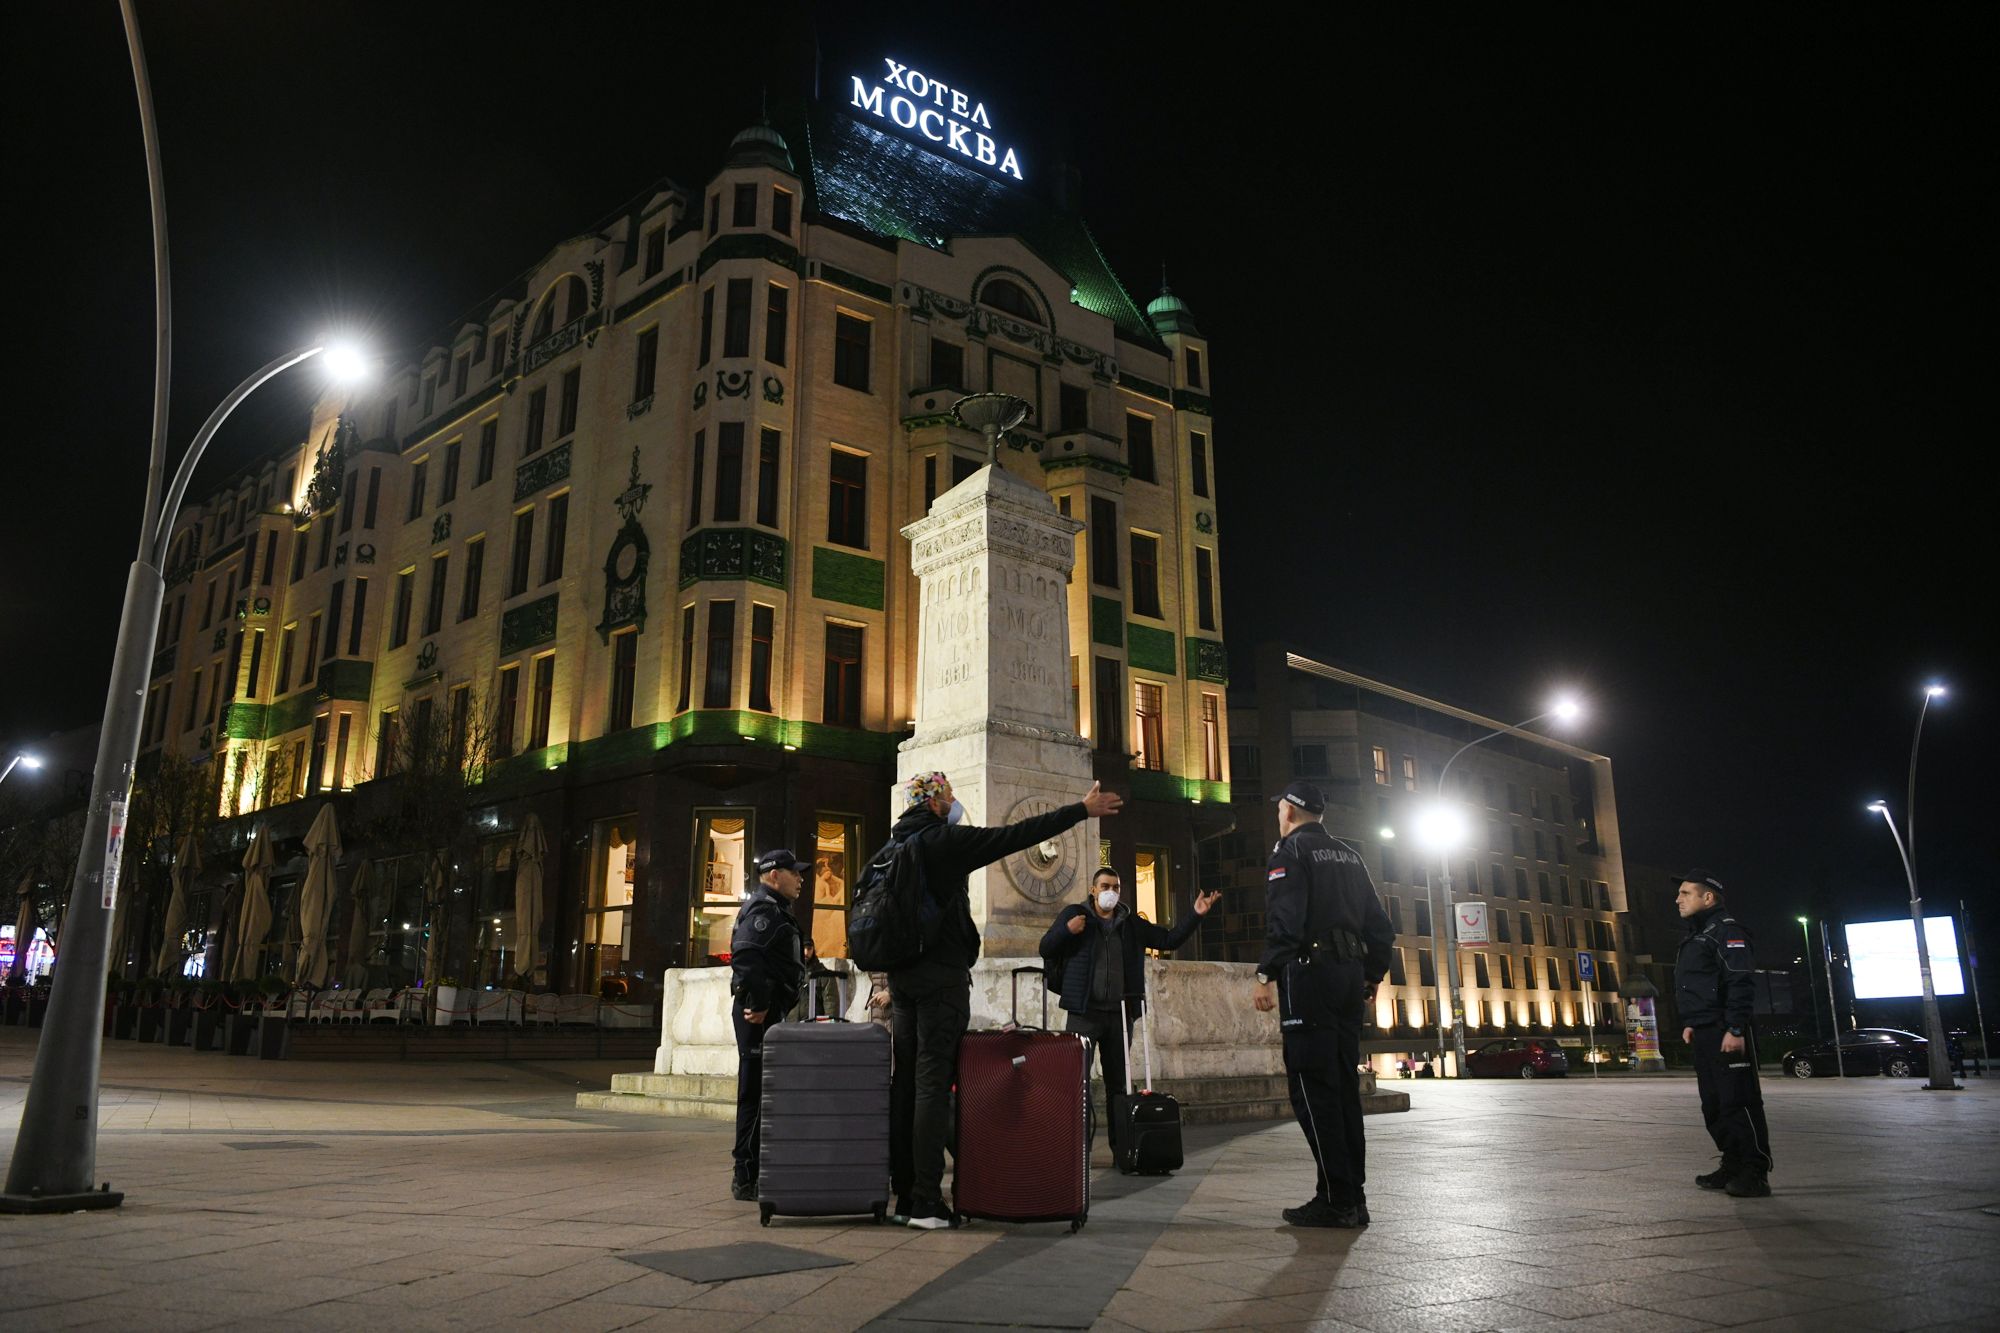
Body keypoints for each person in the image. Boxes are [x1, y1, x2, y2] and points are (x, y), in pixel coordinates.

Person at [888, 771, 1124, 1229]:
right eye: (951, 797)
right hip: (940, 981)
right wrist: (1080, 811)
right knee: (933, 1085)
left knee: (906, 1085)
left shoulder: (893, 846)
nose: (955, 803)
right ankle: (924, 1201)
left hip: (902, 982)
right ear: (935, 803)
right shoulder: (942, 842)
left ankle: (903, 1193)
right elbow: (1014, 836)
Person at [1249, 779, 1395, 1228]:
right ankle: (1352, 1195)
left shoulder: (1289, 853)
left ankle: (1336, 1199)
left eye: (1280, 810)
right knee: (1343, 1088)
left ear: (1290, 813)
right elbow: (1380, 927)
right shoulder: (1350, 856)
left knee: (1313, 1089)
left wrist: (1266, 972)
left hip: (1309, 976)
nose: (1278, 816)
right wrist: (1371, 975)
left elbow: (1286, 920)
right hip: (1349, 978)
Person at [1039, 867, 1220, 1161]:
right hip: (1084, 1013)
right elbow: (1045, 947)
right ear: (1093, 890)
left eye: (1116, 887)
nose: (1111, 891)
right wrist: (1065, 930)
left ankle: (1121, 1150)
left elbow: (1169, 939)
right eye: (1105, 886)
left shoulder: (1130, 924)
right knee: (1076, 1085)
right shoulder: (1076, 916)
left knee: (1119, 1088)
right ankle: (1076, 1154)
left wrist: (1196, 914)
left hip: (1120, 1016)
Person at [1674, 870, 1773, 1197]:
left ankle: (1755, 1171)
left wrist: (1735, 1027)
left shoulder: (1727, 932)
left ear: (1708, 898)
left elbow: (1740, 982)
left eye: (1686, 893)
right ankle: (1732, 1164)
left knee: (1739, 1101)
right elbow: (1700, 984)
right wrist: (1691, 1021)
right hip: (1704, 1030)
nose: (1678, 899)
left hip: (1726, 1031)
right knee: (1714, 1104)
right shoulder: (1698, 936)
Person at [728, 847, 806, 1201]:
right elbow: (745, 955)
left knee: (762, 1092)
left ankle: (756, 1172)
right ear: (775, 875)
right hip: (758, 1016)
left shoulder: (774, 908)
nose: (801, 879)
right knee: (755, 1094)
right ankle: (746, 1176)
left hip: (765, 1012)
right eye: (795, 873)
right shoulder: (763, 909)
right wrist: (759, 1004)